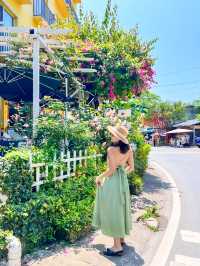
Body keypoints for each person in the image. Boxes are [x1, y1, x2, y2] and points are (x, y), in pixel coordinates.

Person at [92, 125, 134, 257]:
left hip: (112, 183)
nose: (111, 136)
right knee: (121, 208)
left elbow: (110, 171)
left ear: (119, 138)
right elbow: (131, 167)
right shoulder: (128, 149)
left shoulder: (111, 150)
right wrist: (122, 174)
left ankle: (117, 247)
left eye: (113, 135)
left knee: (113, 210)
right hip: (123, 183)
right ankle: (121, 239)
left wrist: (99, 177)